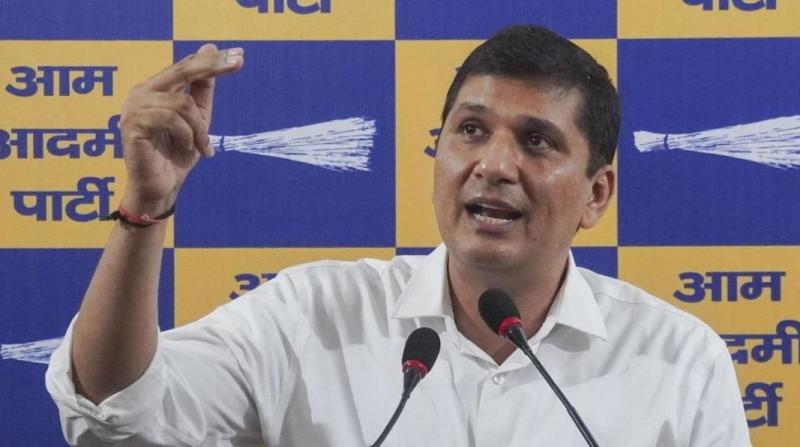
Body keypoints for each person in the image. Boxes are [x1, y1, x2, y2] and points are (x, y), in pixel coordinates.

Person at [46, 25, 751, 446]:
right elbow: (115, 413)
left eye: (536, 141)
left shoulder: (679, 361)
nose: (493, 165)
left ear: (596, 194)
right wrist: (145, 208)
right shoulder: (311, 316)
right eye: (470, 130)